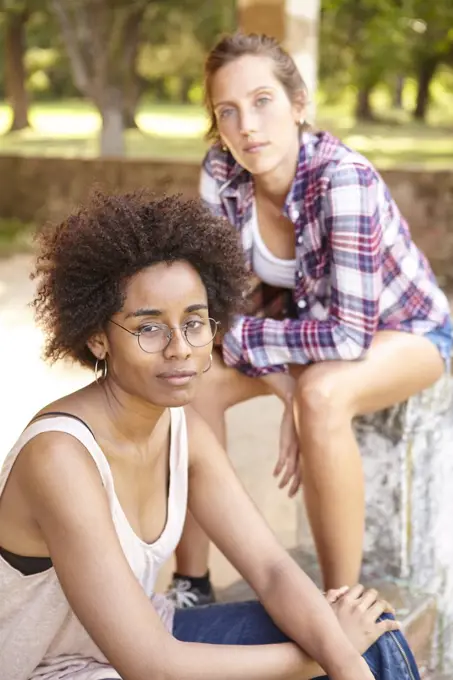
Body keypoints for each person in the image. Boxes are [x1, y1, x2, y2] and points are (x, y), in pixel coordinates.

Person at [0, 190, 421, 680]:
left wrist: (346, 656)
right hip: (52, 671)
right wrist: (322, 656)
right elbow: (153, 665)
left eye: (195, 323)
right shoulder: (60, 458)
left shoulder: (185, 433)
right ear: (98, 337)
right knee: (335, 643)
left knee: (374, 632)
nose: (180, 348)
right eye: (149, 328)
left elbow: (271, 569)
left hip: (130, 646)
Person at [167, 31, 453, 605]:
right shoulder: (222, 172)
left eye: (263, 100)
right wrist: (282, 382)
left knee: (321, 396)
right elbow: (215, 305)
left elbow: (349, 335)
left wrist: (295, 388)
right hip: (304, 331)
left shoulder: (342, 178)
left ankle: (340, 603)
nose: (247, 124)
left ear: (299, 105)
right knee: (192, 382)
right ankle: (190, 582)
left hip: (407, 331)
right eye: (228, 110)